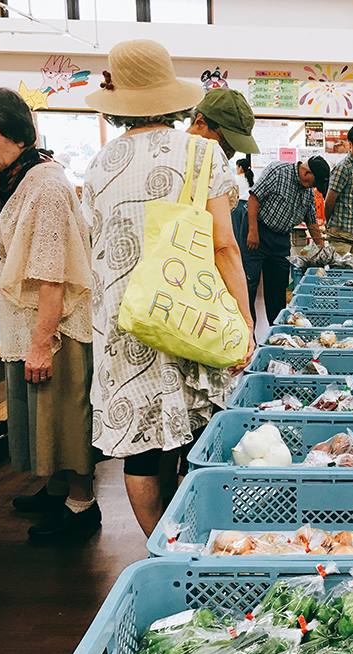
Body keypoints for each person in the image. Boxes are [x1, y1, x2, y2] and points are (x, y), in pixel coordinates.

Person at [83, 39, 254, 537]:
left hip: (124, 317)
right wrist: (243, 319)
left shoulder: (99, 164)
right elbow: (225, 246)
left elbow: (97, 239)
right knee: (195, 430)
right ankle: (197, 535)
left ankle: (160, 544)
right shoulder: (203, 155)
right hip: (187, 307)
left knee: (141, 445)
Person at [0, 86, 98, 541]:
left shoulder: (45, 186)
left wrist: (41, 343)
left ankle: (82, 504)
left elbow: (52, 273)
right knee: (43, 413)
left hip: (54, 327)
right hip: (32, 320)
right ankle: (57, 489)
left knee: (64, 412)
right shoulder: (21, 176)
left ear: (17, 135)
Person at [244, 155, 329, 324]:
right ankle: (246, 334)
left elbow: (312, 223)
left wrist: (324, 252)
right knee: (249, 284)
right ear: (307, 172)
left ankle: (276, 333)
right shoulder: (278, 171)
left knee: (277, 287)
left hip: (281, 238)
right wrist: (252, 232)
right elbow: (254, 198)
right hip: (258, 230)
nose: (313, 187)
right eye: (314, 182)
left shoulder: (308, 192)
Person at [185, 88, 260, 163]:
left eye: (235, 147)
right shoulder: (174, 161)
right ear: (200, 122)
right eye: (225, 142)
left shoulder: (210, 168)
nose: (229, 155)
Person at [325, 124, 353, 255]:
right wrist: (330, 224)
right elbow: (329, 202)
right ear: (350, 144)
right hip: (340, 238)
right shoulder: (344, 167)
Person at [231, 157, 253, 255]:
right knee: (245, 233)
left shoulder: (235, 178)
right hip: (249, 207)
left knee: (235, 233)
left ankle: (236, 254)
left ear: (240, 167)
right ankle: (245, 255)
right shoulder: (251, 180)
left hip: (237, 206)